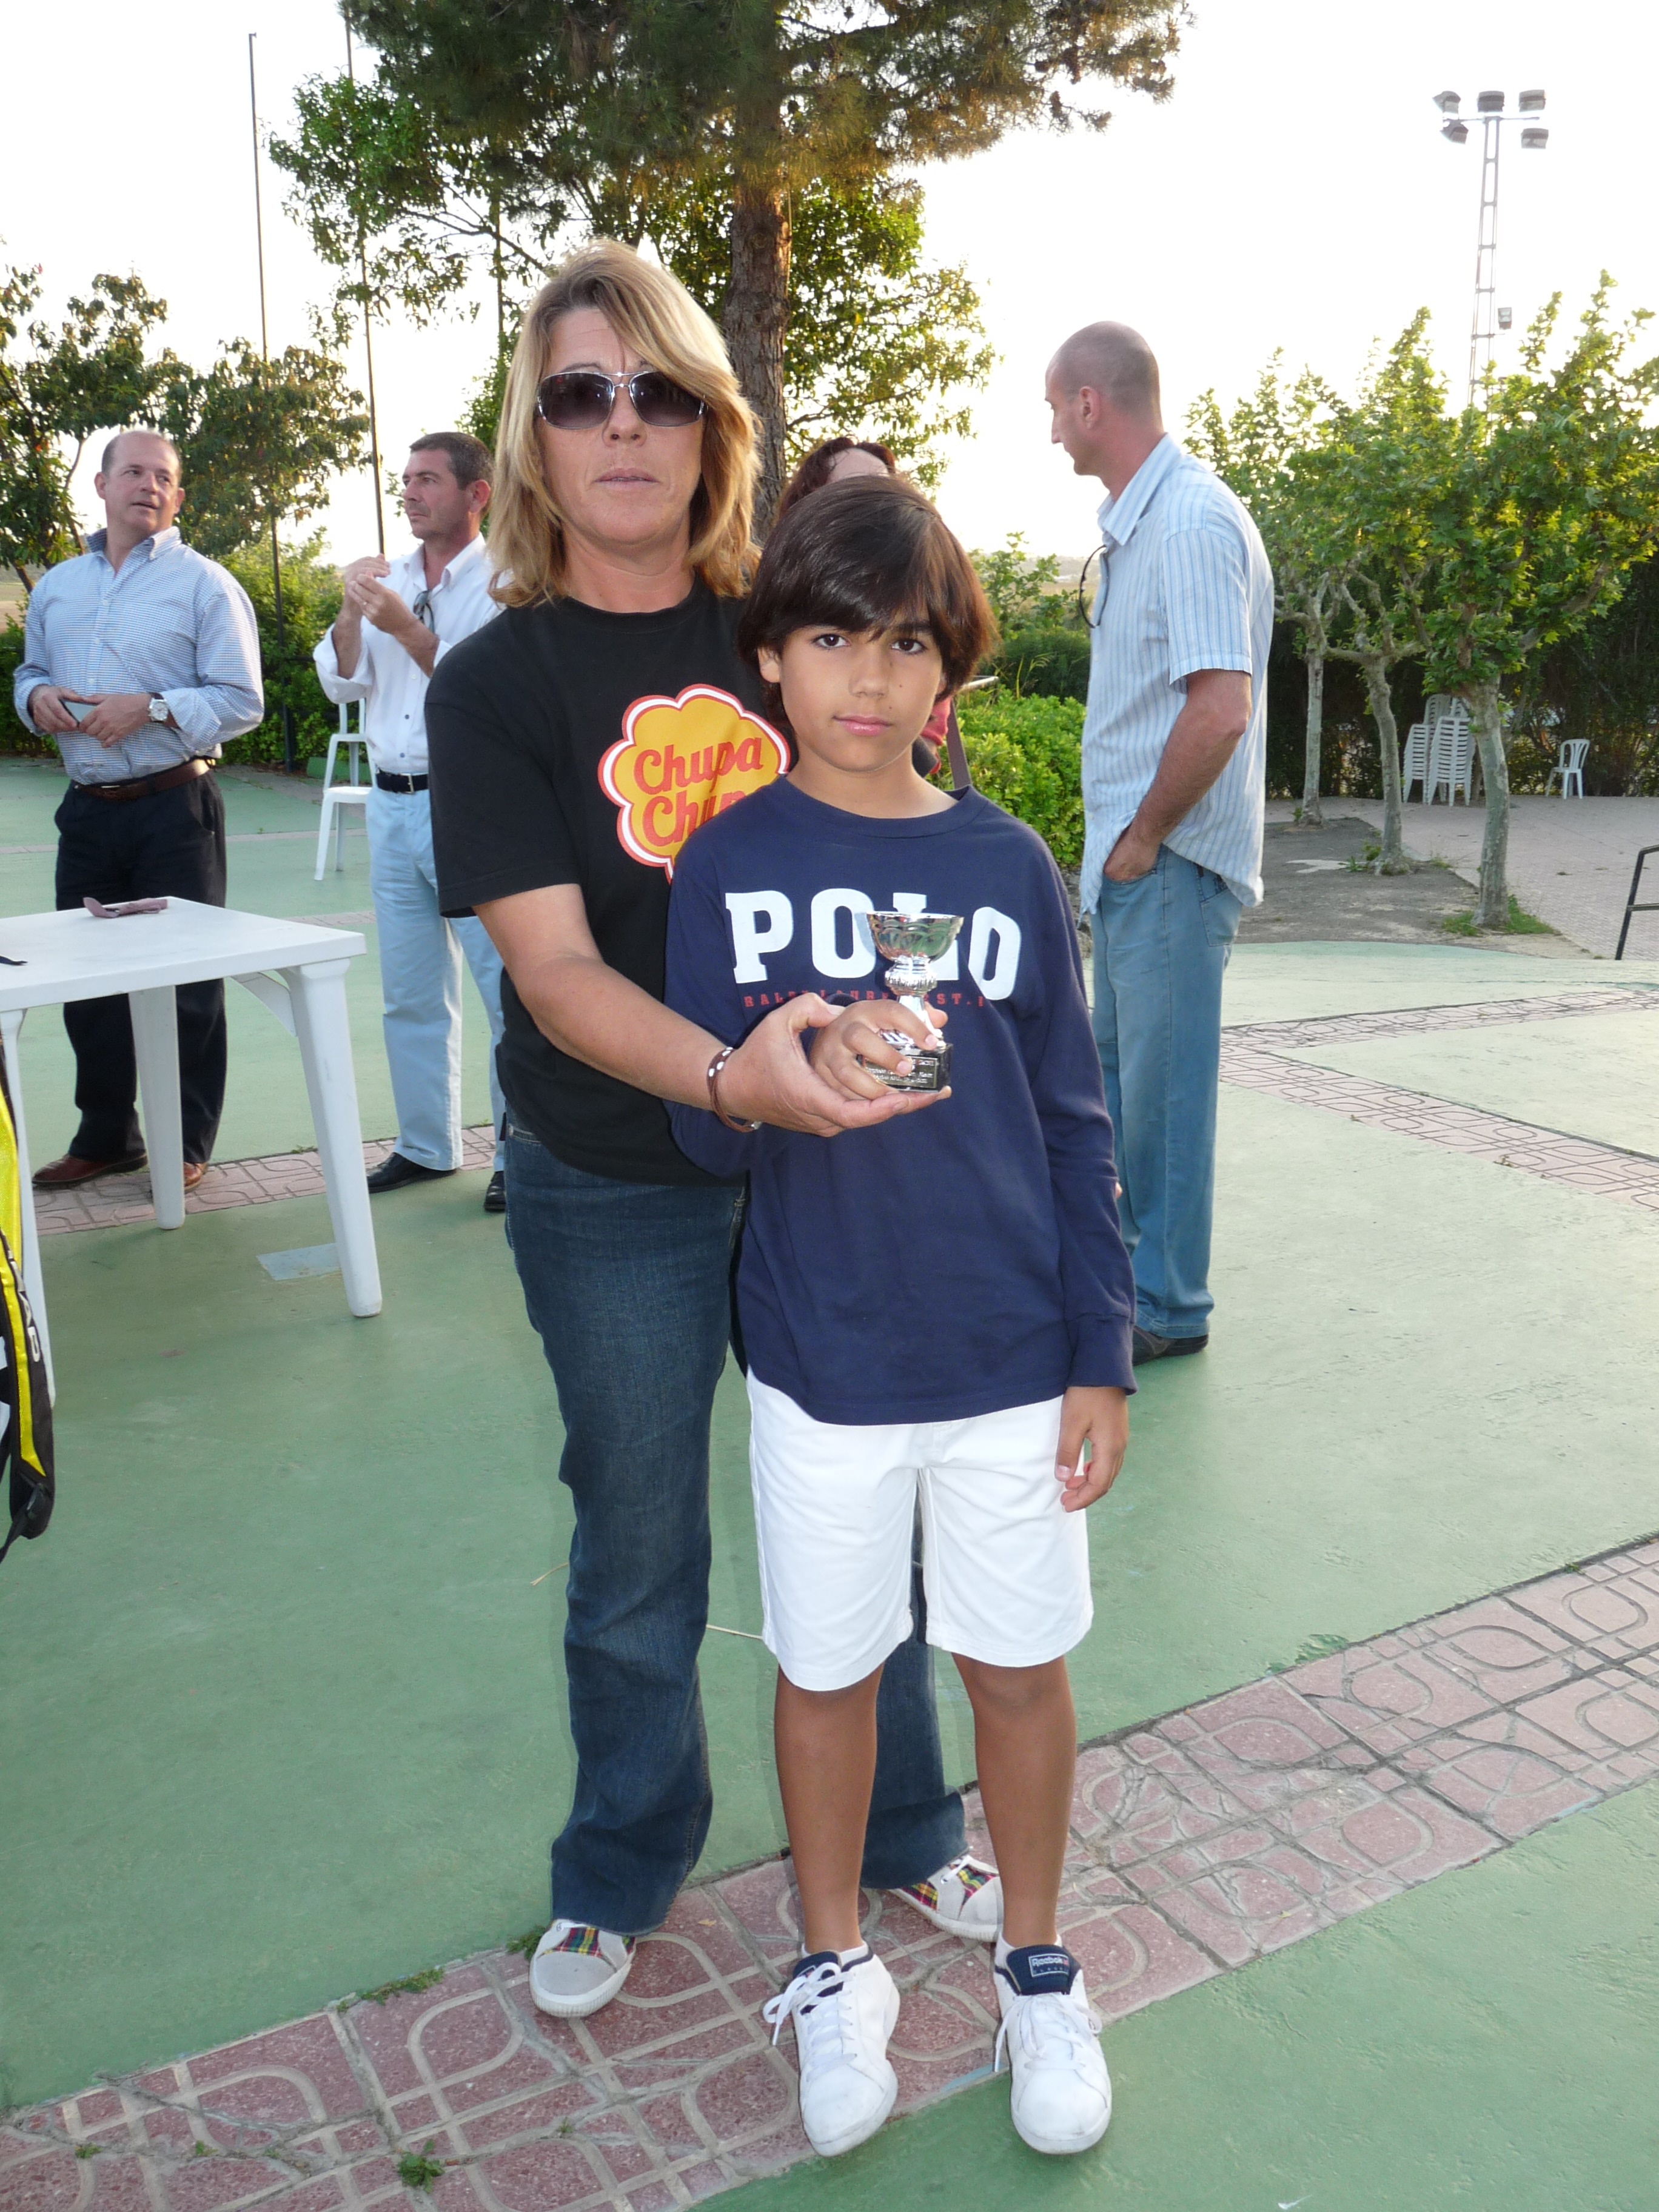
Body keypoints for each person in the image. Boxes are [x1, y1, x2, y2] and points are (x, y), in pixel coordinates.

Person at [426, 241, 1001, 2022]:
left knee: (867, 1511)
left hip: (830, 1170)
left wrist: (895, 1057)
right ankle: (618, 1863)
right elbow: (552, 972)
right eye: (579, 393)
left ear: (711, 427)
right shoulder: (493, 683)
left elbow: (909, 831)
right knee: (640, 1541)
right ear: (534, 436)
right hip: (613, 1180)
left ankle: (906, 1829)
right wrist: (733, 1077)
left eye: (659, 390)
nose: (623, 424)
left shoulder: (786, 628)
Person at [665, 475, 1134, 2159]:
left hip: (1009, 1360)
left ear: (951, 668)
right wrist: (777, 1066)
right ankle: (831, 1965)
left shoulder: (1005, 864)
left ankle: (1037, 1967)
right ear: (767, 657)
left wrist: (1099, 1350)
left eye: (909, 643)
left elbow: (1073, 1121)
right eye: (830, 638)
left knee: (1017, 1668)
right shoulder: (726, 862)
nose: (870, 677)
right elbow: (697, 1126)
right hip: (823, 1362)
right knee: (827, 1672)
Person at [1045, 322, 1271, 1363]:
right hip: (1142, 868)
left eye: (1056, 408)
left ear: (1091, 403)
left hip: (1168, 865)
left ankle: (1167, 1305)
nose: (1053, 431)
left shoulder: (1184, 522)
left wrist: (1142, 839)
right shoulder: (1154, 520)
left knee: (1162, 1104)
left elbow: (1218, 709)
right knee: (1127, 1097)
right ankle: (1135, 1285)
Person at [13, 430, 263, 1193]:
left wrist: (151, 706)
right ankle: (108, 1137)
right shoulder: (57, 587)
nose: (147, 485)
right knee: (87, 985)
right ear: (102, 485)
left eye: (162, 477)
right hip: (87, 812)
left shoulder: (206, 585)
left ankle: (185, 1141)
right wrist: (36, 697)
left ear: (178, 496)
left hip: (174, 808)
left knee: (188, 986)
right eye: (133, 472)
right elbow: (29, 671)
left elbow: (242, 702)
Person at [315, 434, 509, 1211]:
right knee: (409, 991)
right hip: (390, 804)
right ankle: (427, 1146)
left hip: (468, 803)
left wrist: (403, 626)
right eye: (406, 480)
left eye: (428, 480)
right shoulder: (387, 578)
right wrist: (351, 608)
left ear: (476, 494)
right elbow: (341, 683)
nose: (411, 493)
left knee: (506, 990)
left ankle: (518, 1155)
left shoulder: (506, 580)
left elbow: (481, 692)